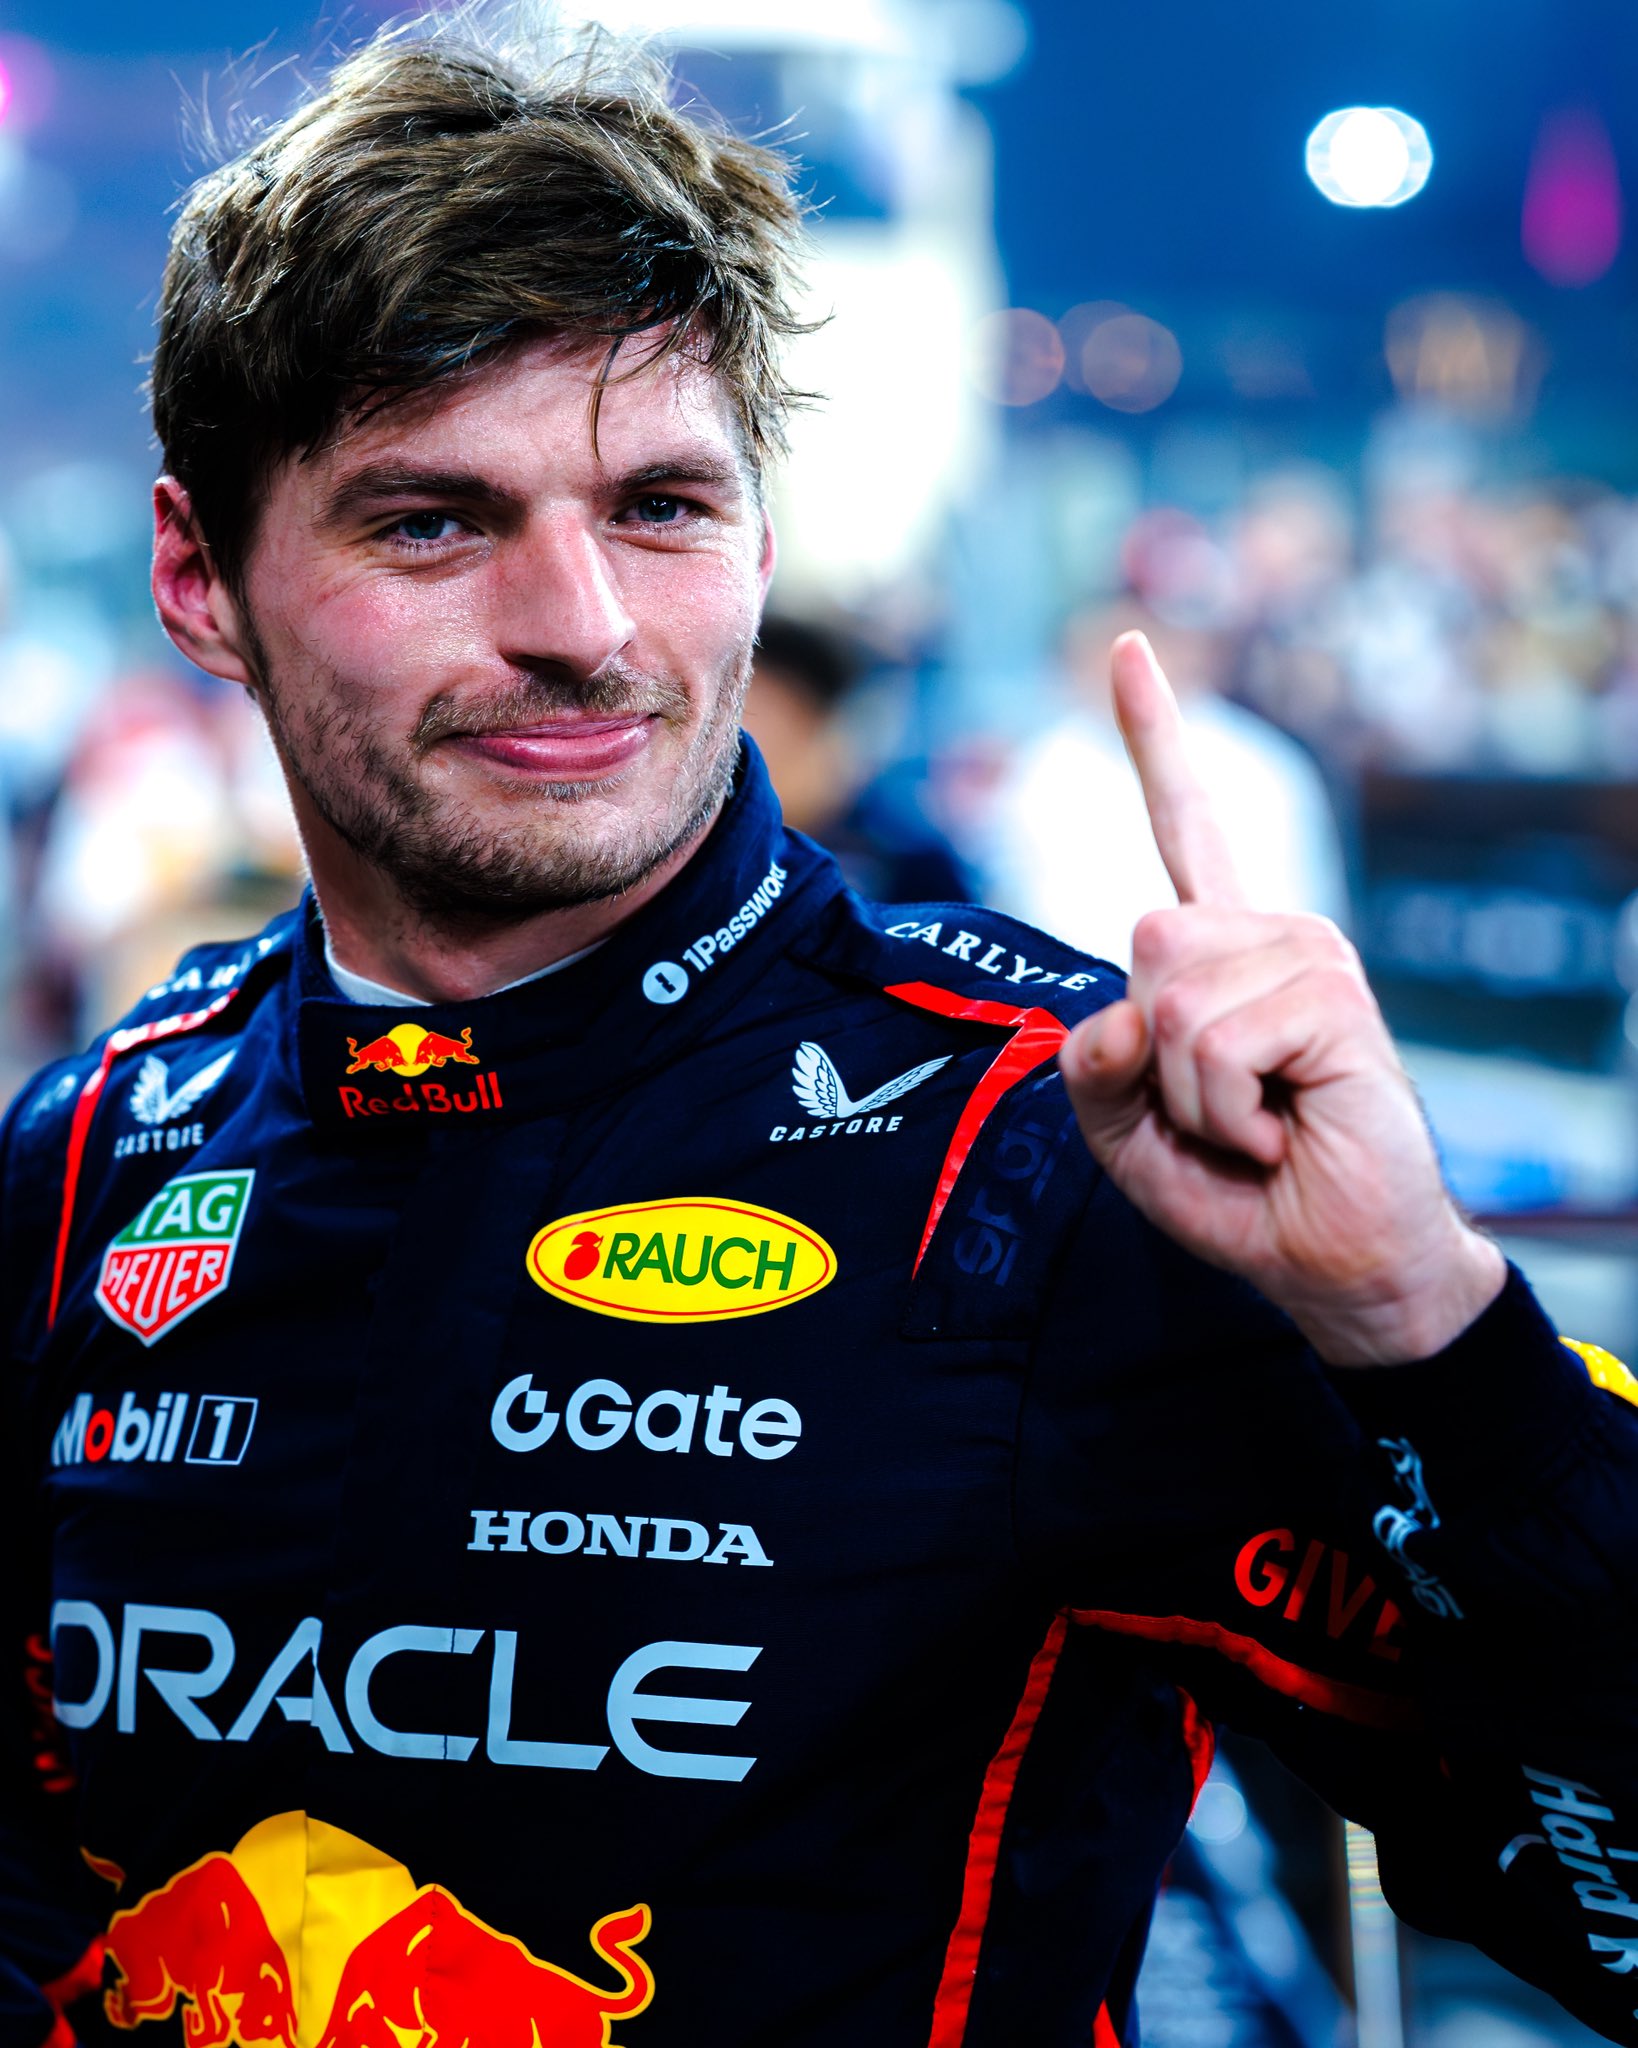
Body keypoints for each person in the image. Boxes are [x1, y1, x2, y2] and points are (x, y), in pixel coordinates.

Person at [4, 21, 1637, 2048]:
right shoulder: (96, 1149)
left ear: (762, 541)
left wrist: (1437, 1333)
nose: (583, 623)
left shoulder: (1054, 1143)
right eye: (432, 521)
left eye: (663, 504)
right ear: (198, 574)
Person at [987, 595, 1350, 968]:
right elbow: (1021, 906)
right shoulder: (1038, 770)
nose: (1110, 671)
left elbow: (1299, 911)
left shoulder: (1261, 764)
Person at [743, 612, 977, 906]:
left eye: (755, 710)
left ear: (814, 721)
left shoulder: (901, 853)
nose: (738, 733)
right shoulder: (721, 845)